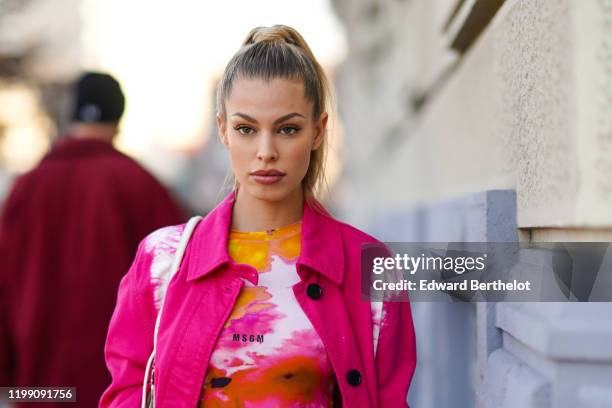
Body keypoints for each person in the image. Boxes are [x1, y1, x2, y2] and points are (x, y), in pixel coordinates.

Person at [100, 25, 416, 407]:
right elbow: (127, 392)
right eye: (246, 129)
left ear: (317, 131)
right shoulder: (161, 261)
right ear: (223, 130)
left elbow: (388, 399)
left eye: (288, 129)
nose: (266, 151)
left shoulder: (371, 265)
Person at [0, 72, 185, 407]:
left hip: (39, 389)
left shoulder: (25, 189)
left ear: (70, 116)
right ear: (119, 119)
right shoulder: (143, 187)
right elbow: (178, 293)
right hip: (115, 389)